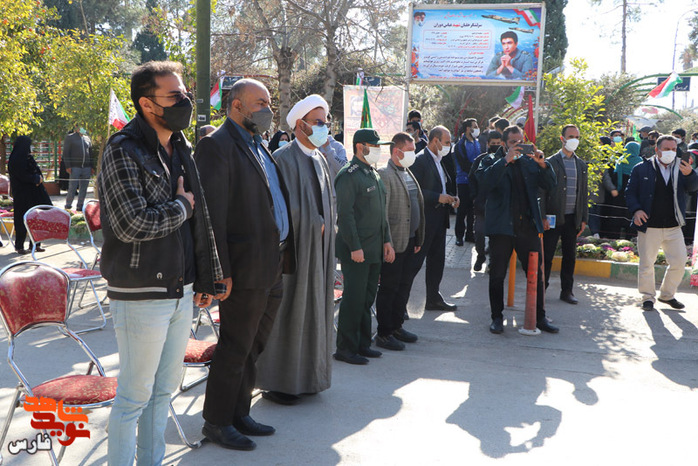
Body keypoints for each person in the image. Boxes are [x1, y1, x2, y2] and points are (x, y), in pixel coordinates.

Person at [97, 60, 223, 465]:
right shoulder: (123, 149)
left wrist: (204, 278)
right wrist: (181, 206)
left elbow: (201, 219)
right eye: (174, 96)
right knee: (134, 396)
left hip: (180, 288)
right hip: (141, 292)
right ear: (147, 104)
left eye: (185, 93)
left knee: (162, 392)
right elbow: (130, 224)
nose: (185, 101)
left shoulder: (181, 145)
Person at [195, 78, 295, 451]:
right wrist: (219, 271)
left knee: (254, 344)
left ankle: (239, 413)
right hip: (242, 268)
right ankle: (217, 422)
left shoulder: (258, 144)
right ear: (236, 105)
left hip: (272, 262)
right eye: (260, 103)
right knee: (235, 346)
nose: (268, 110)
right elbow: (212, 216)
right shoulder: (216, 145)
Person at [255, 95, 335, 406]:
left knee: (314, 310)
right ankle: (280, 383)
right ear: (300, 125)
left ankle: (310, 379)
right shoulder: (282, 158)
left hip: (319, 251)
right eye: (318, 122)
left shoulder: (319, 158)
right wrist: (313, 223)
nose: (324, 128)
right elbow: (276, 208)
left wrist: (327, 223)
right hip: (293, 255)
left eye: (326, 122)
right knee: (289, 312)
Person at [478, 125, 558, 334]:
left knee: (536, 273)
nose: (517, 146)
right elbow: (484, 183)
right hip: (501, 228)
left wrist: (543, 165)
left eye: (520, 141)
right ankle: (497, 317)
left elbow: (550, 185)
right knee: (497, 274)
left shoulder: (529, 162)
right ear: (504, 144)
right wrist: (505, 161)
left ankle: (539, 317)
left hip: (527, 227)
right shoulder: (491, 160)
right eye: (513, 142)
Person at [334, 128, 393, 365]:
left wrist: (387, 241)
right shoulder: (349, 175)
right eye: (374, 145)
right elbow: (345, 216)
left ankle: (362, 344)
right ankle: (345, 348)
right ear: (360, 147)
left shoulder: (372, 173)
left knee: (367, 298)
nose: (378, 150)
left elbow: (381, 214)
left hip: (374, 248)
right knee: (354, 299)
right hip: (357, 250)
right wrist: (354, 247)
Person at [626, 135, 698, 312]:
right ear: (657, 149)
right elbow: (630, 192)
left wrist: (690, 174)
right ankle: (647, 297)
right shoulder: (641, 168)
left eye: (673, 149)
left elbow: (692, 188)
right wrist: (636, 210)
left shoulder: (681, 167)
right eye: (666, 149)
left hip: (674, 225)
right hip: (649, 225)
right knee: (646, 264)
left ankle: (667, 295)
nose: (670, 152)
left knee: (680, 262)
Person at [375, 132, 425, 351]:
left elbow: (415, 204)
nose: (414, 153)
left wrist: (418, 235)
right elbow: (382, 214)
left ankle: (396, 326)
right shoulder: (385, 174)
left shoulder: (407, 171)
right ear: (397, 151)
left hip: (410, 240)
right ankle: (384, 333)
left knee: (404, 286)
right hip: (394, 242)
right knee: (389, 288)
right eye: (410, 150)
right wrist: (386, 243)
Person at [409, 126, 460, 311]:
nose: (449, 146)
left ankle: (433, 298)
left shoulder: (441, 159)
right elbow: (414, 191)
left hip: (440, 219)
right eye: (446, 142)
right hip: (424, 221)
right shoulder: (420, 160)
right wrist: (438, 197)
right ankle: (400, 302)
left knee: (437, 261)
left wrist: (453, 197)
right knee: (414, 263)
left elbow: (444, 184)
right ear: (435, 140)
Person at [541, 124, 589, 305]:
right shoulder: (551, 162)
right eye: (570, 137)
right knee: (547, 255)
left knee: (570, 256)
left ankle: (567, 291)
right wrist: (542, 216)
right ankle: (541, 289)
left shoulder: (581, 164)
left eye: (577, 137)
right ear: (562, 139)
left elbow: (583, 193)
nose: (574, 140)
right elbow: (542, 191)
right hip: (553, 217)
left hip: (572, 218)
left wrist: (583, 218)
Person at [8, 136, 55, 254]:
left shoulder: (28, 157)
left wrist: (39, 178)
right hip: (22, 194)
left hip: (35, 193)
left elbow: (36, 170)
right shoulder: (15, 159)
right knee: (21, 219)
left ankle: (35, 244)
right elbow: (21, 175)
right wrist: (35, 179)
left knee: (37, 217)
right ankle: (19, 246)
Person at [468, 130, 504, 271]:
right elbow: (472, 178)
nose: (496, 145)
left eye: (498, 143)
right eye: (493, 143)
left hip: (498, 207)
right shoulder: (481, 160)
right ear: (488, 144)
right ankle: (480, 255)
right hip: (481, 204)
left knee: (496, 237)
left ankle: (492, 263)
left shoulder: (505, 160)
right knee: (479, 233)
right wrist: (474, 196)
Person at [453, 118, 481, 245]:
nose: (476, 128)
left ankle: (470, 234)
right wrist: (475, 170)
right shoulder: (460, 144)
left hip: (475, 180)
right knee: (462, 209)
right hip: (463, 180)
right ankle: (459, 236)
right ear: (468, 128)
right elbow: (464, 164)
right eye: (474, 126)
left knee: (472, 209)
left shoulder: (477, 142)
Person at [62, 125, 92, 211]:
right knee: (72, 187)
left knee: (84, 188)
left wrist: (91, 166)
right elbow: (66, 153)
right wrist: (68, 166)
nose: (83, 129)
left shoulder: (87, 138)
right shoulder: (70, 138)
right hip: (75, 167)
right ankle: (68, 206)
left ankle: (80, 206)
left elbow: (90, 153)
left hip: (86, 167)